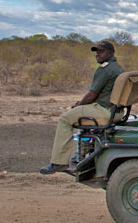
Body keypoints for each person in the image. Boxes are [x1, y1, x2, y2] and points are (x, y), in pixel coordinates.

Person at [40, 40, 125, 174]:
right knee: (80, 112)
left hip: (104, 111)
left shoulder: (105, 70)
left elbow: (92, 94)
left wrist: (78, 106)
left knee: (65, 119)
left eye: (101, 51)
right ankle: (82, 154)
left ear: (110, 53)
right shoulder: (118, 68)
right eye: (97, 51)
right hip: (117, 112)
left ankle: (59, 162)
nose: (97, 54)